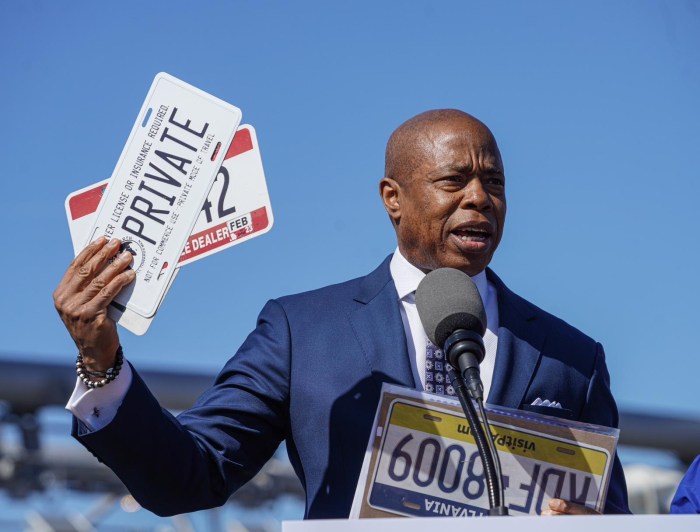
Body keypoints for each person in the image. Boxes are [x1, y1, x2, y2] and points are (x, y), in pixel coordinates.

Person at [54, 109, 629, 518]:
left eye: (494, 182)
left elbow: (617, 517)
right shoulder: (302, 332)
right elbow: (189, 476)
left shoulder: (573, 358)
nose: (479, 197)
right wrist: (101, 361)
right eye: (454, 181)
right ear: (393, 198)